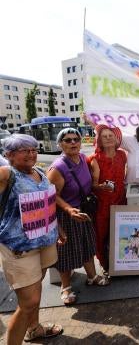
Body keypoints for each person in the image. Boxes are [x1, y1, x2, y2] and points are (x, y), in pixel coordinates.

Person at [0, 134, 63, 344]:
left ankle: (34, 329)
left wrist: (59, 228)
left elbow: (47, 203)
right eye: (24, 150)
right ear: (8, 155)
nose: (31, 154)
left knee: (36, 292)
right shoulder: (8, 175)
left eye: (34, 149)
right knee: (28, 303)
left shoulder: (39, 172)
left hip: (44, 242)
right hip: (20, 249)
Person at [47, 128, 109, 306]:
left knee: (87, 244)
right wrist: (68, 210)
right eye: (67, 140)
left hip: (83, 210)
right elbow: (52, 196)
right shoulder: (58, 167)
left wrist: (100, 187)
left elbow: (87, 183)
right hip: (67, 215)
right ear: (60, 144)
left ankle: (92, 276)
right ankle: (65, 287)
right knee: (67, 252)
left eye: (76, 139)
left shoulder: (82, 158)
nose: (73, 143)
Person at [87, 124, 126, 275]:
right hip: (103, 204)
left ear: (117, 139)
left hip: (120, 200)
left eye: (111, 136)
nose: (109, 138)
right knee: (102, 233)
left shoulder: (122, 155)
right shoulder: (95, 158)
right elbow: (93, 184)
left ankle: (121, 261)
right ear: (100, 140)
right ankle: (105, 264)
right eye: (105, 136)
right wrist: (100, 186)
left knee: (120, 233)